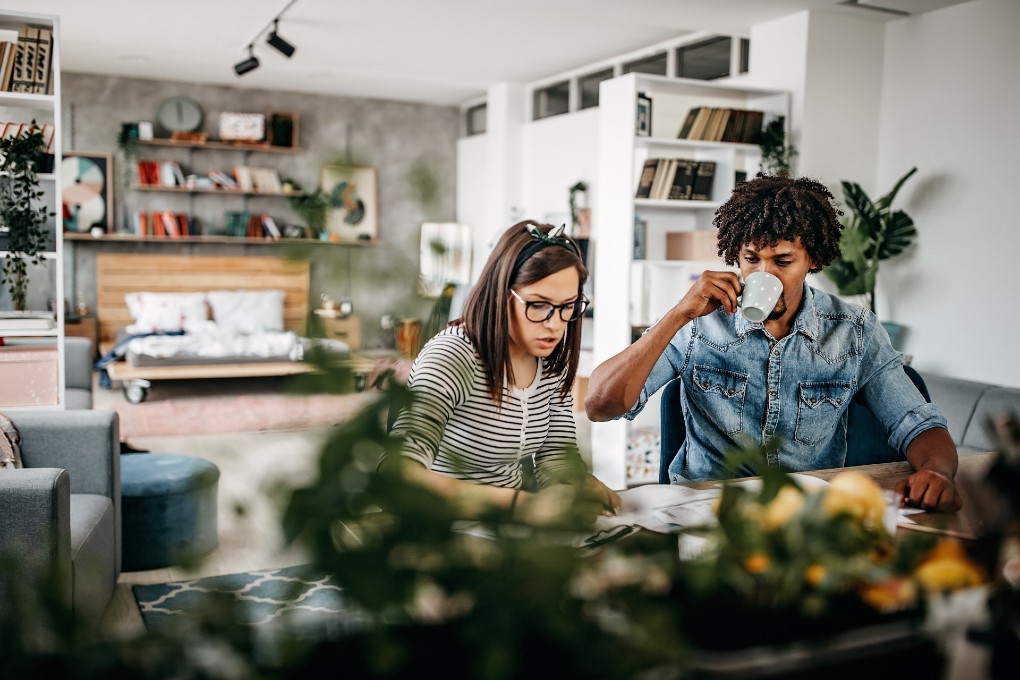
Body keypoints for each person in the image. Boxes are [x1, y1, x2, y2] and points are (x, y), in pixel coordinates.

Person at [585, 173, 961, 512]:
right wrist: (677, 315)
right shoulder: (699, 323)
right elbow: (600, 406)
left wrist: (938, 473)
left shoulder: (853, 331)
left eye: (783, 261)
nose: (764, 275)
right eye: (751, 259)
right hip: (707, 511)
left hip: (803, 517)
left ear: (812, 260)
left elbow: (915, 421)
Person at [385, 219, 621, 522]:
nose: (555, 324)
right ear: (501, 295)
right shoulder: (453, 355)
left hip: (508, 534)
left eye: (568, 307)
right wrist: (521, 506)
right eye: (538, 305)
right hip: (437, 529)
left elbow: (556, 459)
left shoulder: (548, 362)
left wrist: (576, 484)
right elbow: (397, 476)